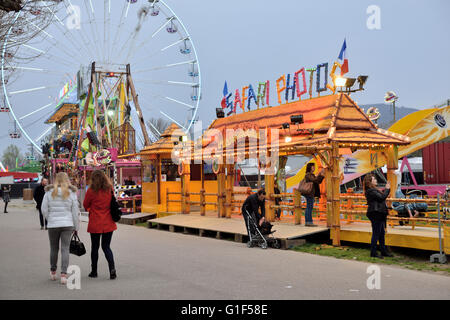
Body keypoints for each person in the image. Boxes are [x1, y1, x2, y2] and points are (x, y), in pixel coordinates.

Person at [41, 172, 80, 284]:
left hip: (53, 224)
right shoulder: (71, 193)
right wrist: (76, 226)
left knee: (53, 248)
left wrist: (50, 219)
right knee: (65, 249)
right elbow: (75, 211)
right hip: (67, 224)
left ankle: (53, 272)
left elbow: (44, 209)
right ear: (67, 180)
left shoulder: (48, 193)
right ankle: (64, 274)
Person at [83, 170, 117, 280]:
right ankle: (112, 270)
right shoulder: (109, 189)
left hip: (95, 222)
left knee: (95, 248)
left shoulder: (91, 191)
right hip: (108, 222)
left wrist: (90, 208)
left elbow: (85, 204)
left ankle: (94, 271)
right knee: (106, 247)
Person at [363, 174, 393, 258]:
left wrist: (386, 189)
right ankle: (373, 253)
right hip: (376, 213)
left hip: (379, 213)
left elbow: (381, 196)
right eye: (374, 179)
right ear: (370, 182)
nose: (376, 180)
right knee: (376, 233)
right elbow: (382, 197)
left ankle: (383, 251)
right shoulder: (370, 191)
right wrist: (387, 189)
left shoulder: (373, 190)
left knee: (381, 233)